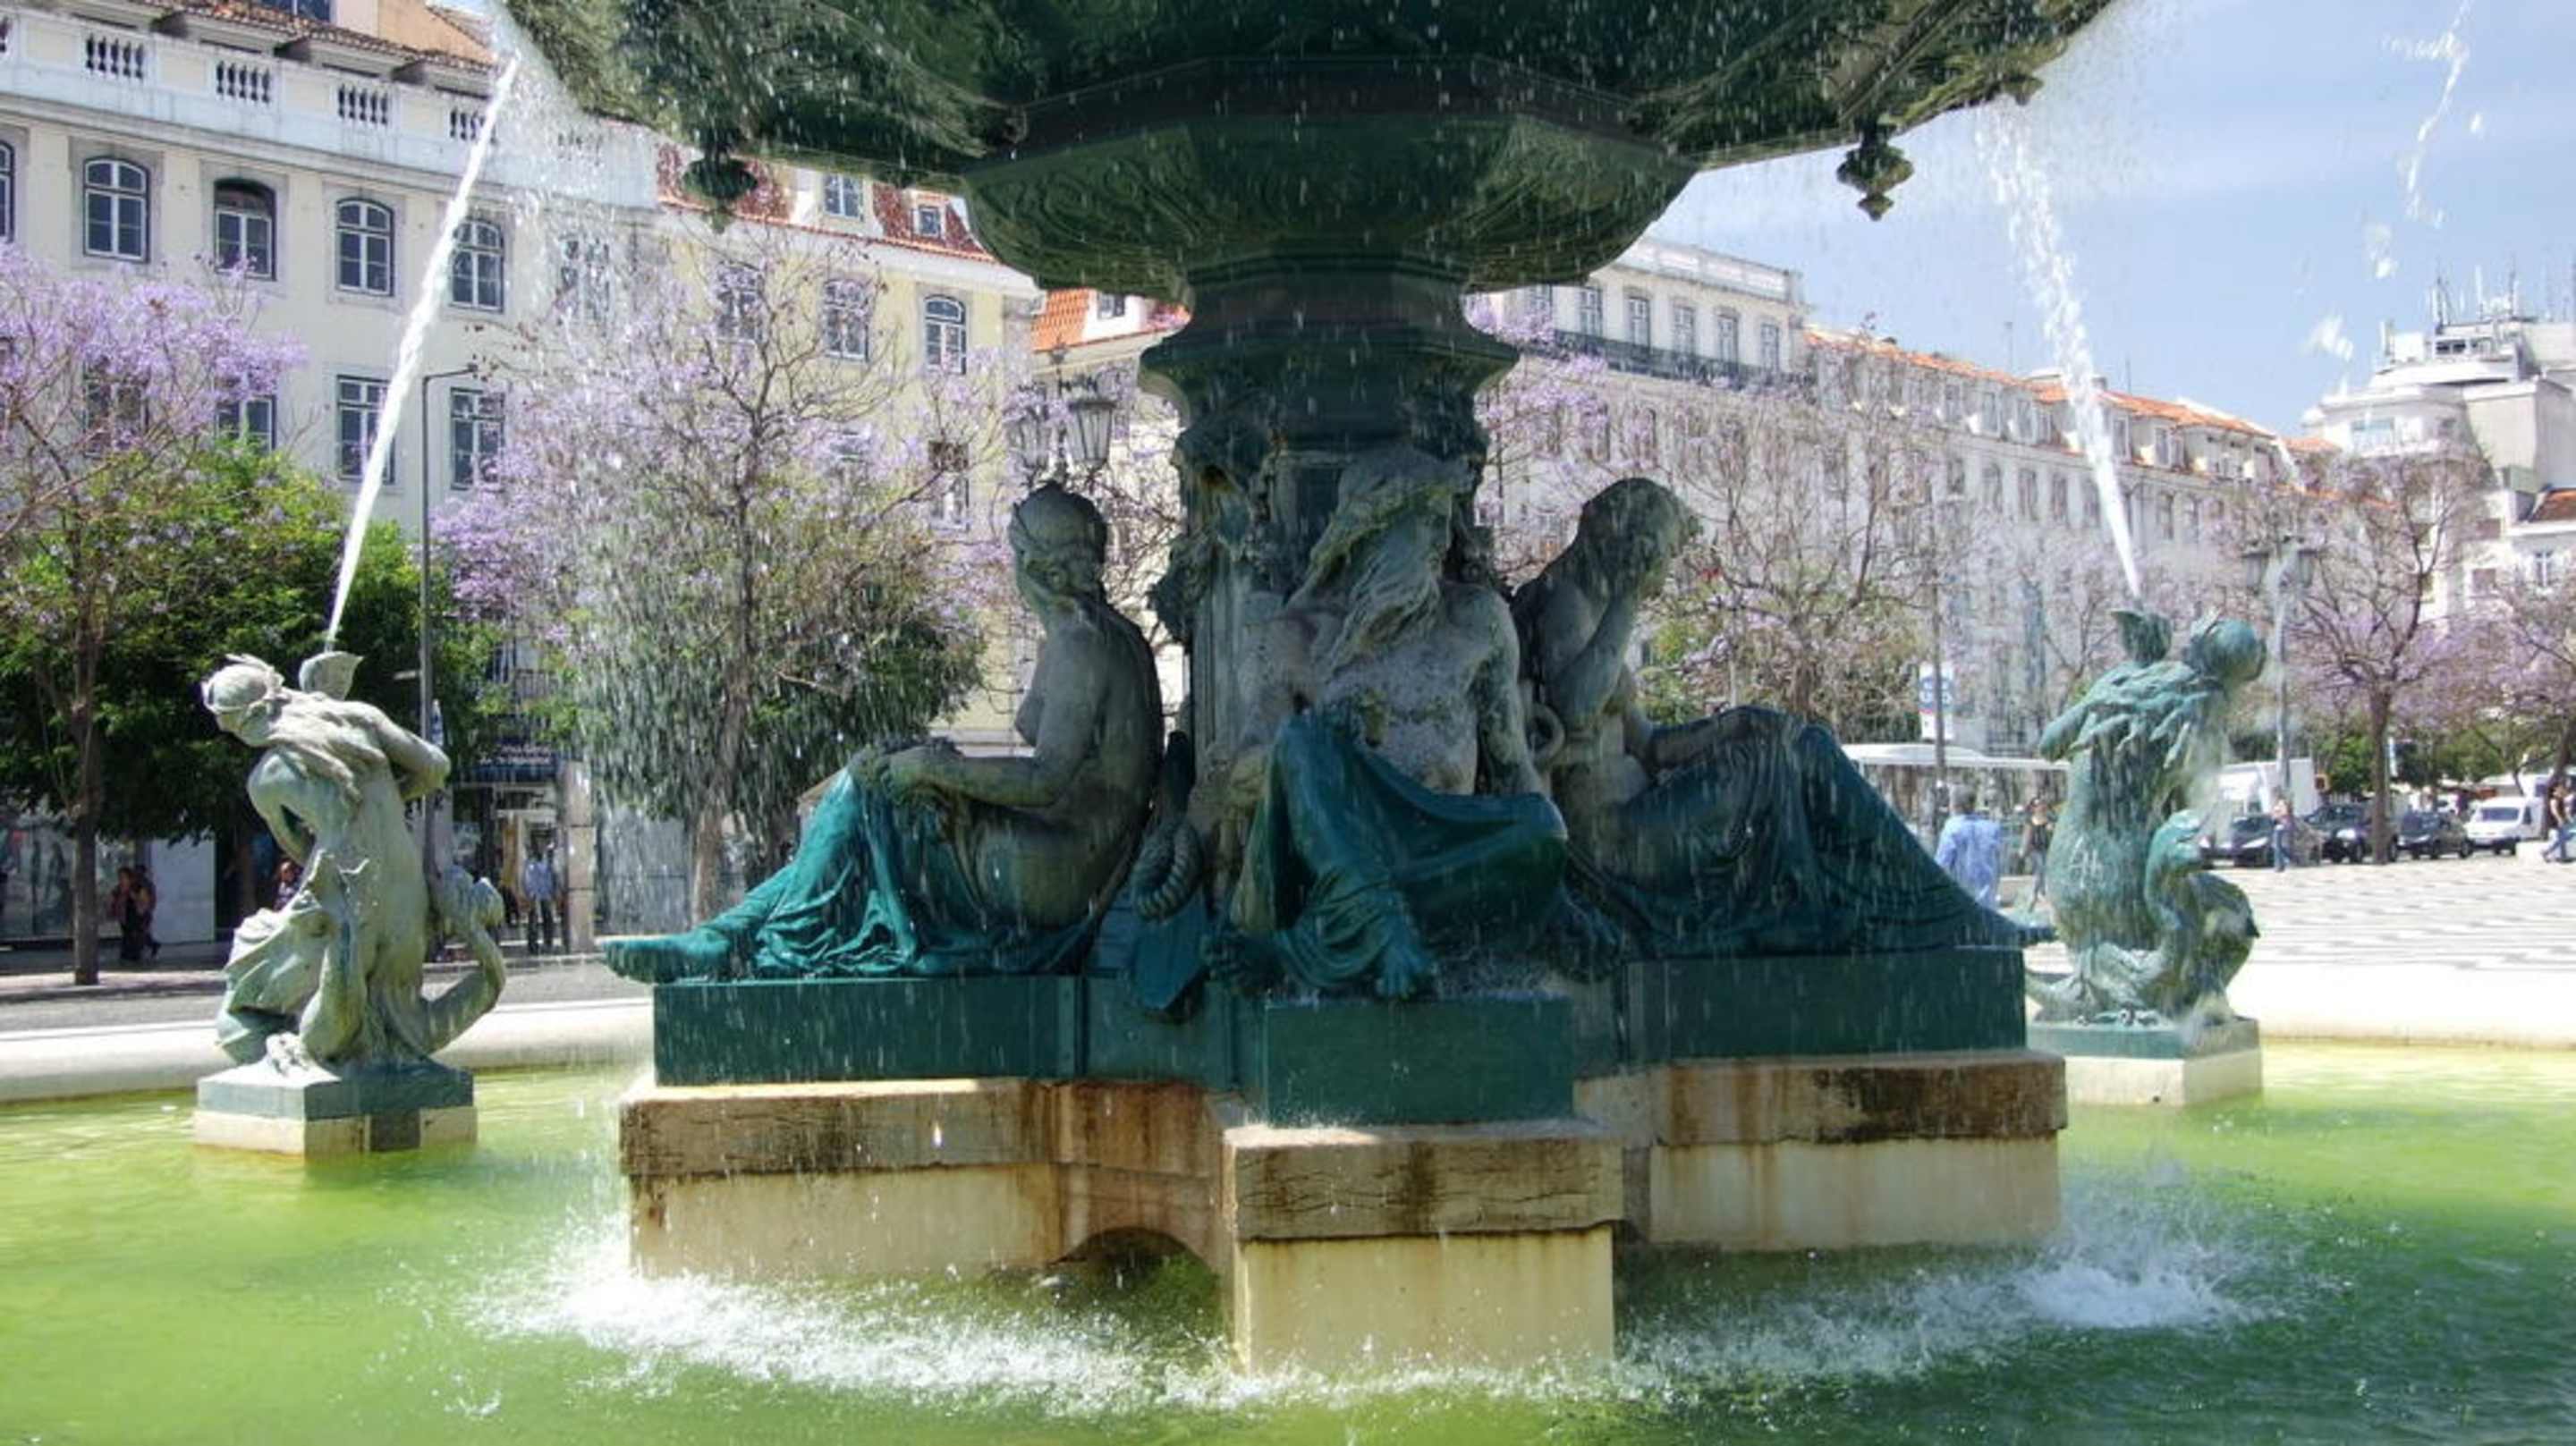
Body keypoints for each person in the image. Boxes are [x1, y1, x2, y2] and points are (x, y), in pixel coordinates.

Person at [604, 485, 1163, 984]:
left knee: (869, 792)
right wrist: (929, 764)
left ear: (1038, 567)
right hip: (1064, 856)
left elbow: (1045, 780)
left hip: (1055, 871)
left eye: (1015, 553)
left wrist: (933, 768)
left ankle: (745, 941)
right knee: (873, 791)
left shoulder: (1081, 644)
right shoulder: (1101, 637)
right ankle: (727, 938)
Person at [1515, 477, 2027, 957]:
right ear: (1628, 542)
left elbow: (1649, 745)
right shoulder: (1566, 602)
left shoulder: (1593, 607)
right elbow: (1574, 708)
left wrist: (1736, 723)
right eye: (1660, 558)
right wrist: (1627, 601)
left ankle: (1928, 907)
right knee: (1770, 762)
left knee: (1806, 744)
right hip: (1615, 837)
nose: (1662, 578)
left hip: (1639, 811)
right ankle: (1869, 911)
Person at [200, 652, 504, 1069]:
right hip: (410, 906)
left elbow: (299, 850)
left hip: (347, 902)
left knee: (236, 1014)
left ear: (244, 723)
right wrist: (392, 797)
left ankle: (304, 1049)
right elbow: (436, 767)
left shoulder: (265, 780)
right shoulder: (362, 718)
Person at [1936, 793, 2005, 909]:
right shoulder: (1992, 829)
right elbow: (1999, 863)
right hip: (1988, 904)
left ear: (1955, 805)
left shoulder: (1951, 829)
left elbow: (1941, 866)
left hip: (1961, 903)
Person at [520, 848, 559, 956]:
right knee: (533, 921)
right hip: (535, 896)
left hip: (546, 895)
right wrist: (530, 893)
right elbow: (526, 880)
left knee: (548, 919)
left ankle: (548, 943)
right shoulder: (530, 865)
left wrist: (553, 892)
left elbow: (554, 879)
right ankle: (533, 945)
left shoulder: (550, 865)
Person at [2269, 795, 2298, 872]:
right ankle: (2280, 865)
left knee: (2279, 847)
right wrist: (2275, 814)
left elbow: (2284, 815)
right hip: (2278, 828)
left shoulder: (2283, 807)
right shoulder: (2278, 807)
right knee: (2278, 848)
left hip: (2282, 828)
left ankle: (2281, 865)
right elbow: (2274, 818)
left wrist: (2278, 814)